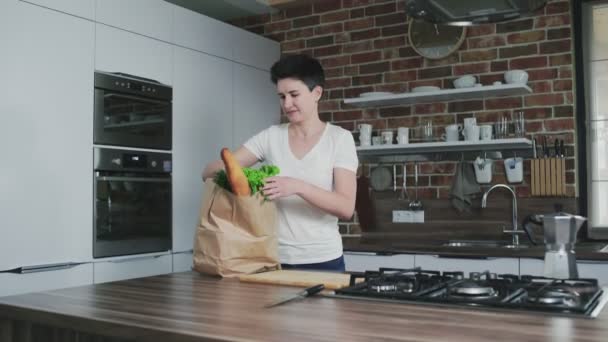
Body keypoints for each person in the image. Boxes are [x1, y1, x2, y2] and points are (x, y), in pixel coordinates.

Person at [202, 54, 358, 272]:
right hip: (272, 258)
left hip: (324, 260)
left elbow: (345, 207)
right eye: (282, 96)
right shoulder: (270, 137)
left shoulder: (339, 139)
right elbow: (209, 172)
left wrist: (297, 186)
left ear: (317, 93)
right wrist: (243, 177)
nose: (287, 104)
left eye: (294, 95)